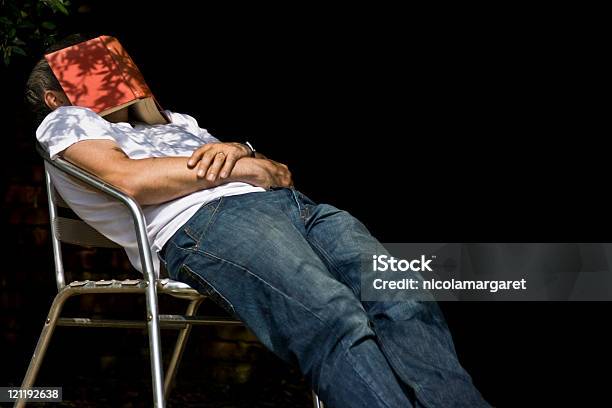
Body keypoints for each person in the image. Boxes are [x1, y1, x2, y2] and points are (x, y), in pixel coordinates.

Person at [26, 37, 490, 408]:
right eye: (92, 66)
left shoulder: (175, 121)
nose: (117, 72)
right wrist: (244, 163)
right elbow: (126, 180)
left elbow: (278, 172)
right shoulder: (68, 120)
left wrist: (245, 154)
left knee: (402, 295)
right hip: (204, 223)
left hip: (297, 207)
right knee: (330, 316)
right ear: (54, 94)